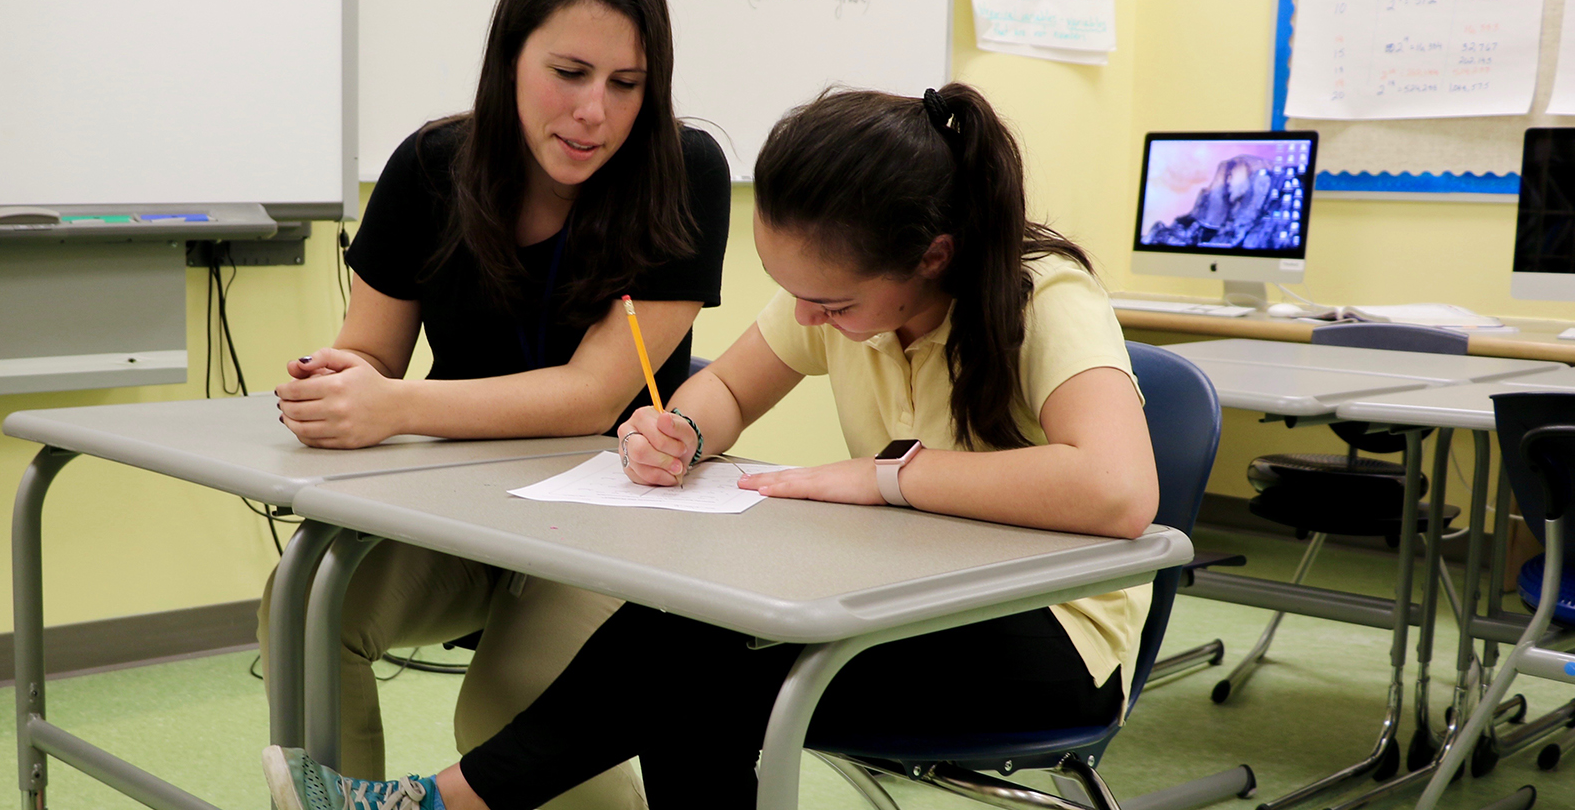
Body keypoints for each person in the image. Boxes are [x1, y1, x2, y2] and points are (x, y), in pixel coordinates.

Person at [262, 84, 1160, 810]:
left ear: (930, 256)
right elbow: (729, 384)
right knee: (692, 641)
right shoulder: (840, 293)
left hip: (1051, 637)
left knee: (702, 683)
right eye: (791, 291)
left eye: (832, 305)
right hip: (909, 594)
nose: (808, 320)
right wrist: (683, 428)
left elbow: (1119, 492)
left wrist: (885, 479)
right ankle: (434, 807)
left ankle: (433, 807)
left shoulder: (1046, 300)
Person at [262, 0, 731, 810]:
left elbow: (593, 396)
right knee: (307, 610)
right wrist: (340, 378)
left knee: (505, 718)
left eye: (626, 84)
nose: (595, 111)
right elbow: (373, 349)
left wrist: (393, 406)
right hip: (466, 507)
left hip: (620, 515)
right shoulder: (431, 168)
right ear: (509, 58)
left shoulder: (684, 170)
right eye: (569, 74)